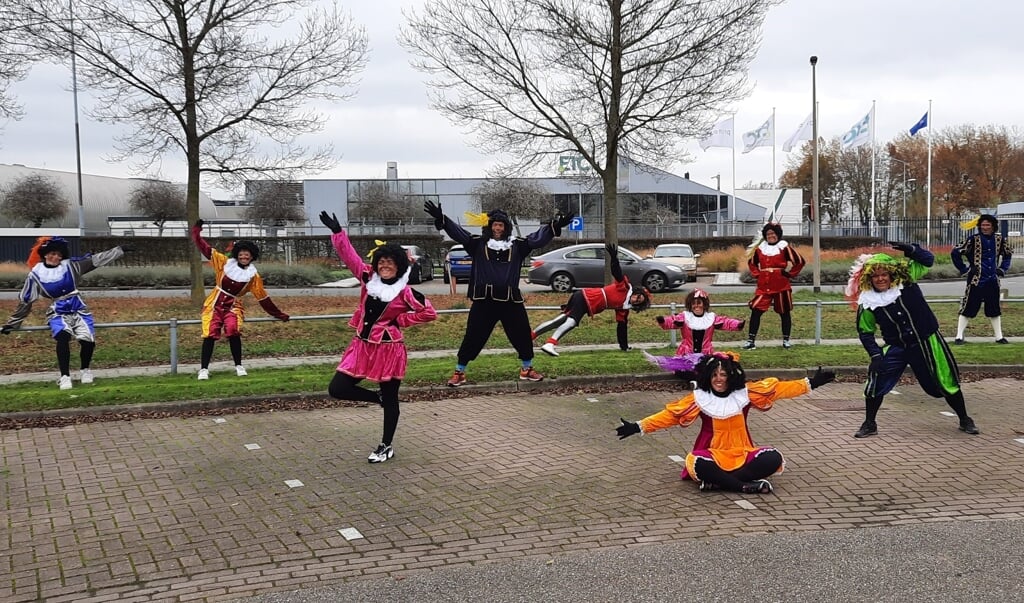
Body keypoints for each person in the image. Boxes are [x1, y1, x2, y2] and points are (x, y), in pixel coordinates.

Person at [615, 352, 835, 494]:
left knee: (773, 457)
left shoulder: (745, 394)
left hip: (743, 452)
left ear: (732, 376)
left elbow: (779, 390)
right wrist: (639, 426)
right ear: (708, 377)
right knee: (695, 462)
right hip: (712, 454)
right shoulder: (700, 398)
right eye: (715, 375)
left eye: (724, 374)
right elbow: (670, 416)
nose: (719, 379)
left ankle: (720, 483)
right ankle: (743, 486)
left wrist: (811, 383)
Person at [319, 211, 438, 463]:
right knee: (338, 388)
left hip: (388, 349)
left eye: (390, 263)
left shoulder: (406, 292)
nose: (384, 266)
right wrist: (338, 233)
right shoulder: (367, 279)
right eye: (381, 262)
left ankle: (386, 445)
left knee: (392, 396)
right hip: (361, 346)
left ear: (399, 266)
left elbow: (429, 313)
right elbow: (349, 256)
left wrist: (400, 320)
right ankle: (378, 398)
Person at [423, 199, 573, 386]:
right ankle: (459, 371)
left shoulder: (518, 245)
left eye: (501, 225)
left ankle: (527, 369)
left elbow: (537, 238)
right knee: (473, 336)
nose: (498, 228)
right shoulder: (476, 244)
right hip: (484, 301)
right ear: (489, 226)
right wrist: (442, 219)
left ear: (506, 227)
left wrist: (554, 226)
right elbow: (459, 233)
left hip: (510, 300)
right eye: (495, 225)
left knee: (522, 335)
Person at [845, 241, 980, 438]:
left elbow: (928, 260)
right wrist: (875, 355)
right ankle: (869, 423)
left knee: (945, 380)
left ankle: (964, 419)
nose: (881, 279)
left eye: (884, 274)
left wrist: (910, 250)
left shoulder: (906, 281)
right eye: (875, 276)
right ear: (869, 279)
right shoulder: (868, 302)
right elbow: (865, 332)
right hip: (897, 346)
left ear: (891, 274)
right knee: (876, 380)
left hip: (926, 340)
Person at [1, 236, 133, 390]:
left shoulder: (71, 266)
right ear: (45, 254)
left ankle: (85, 370)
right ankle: (65, 377)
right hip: (58, 311)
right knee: (62, 338)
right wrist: (12, 323)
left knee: (87, 340)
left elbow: (96, 260)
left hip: (78, 308)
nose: (56, 257)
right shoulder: (35, 276)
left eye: (59, 255)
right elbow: (26, 301)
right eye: (52, 254)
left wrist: (120, 250)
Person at [190, 219, 290, 380]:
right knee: (209, 333)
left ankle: (239, 366)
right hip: (214, 304)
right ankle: (203, 369)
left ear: (251, 257)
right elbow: (205, 249)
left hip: (233, 306)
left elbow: (263, 298)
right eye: (242, 254)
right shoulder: (223, 263)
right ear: (237, 255)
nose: (244, 256)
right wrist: (196, 232)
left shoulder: (253, 276)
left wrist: (279, 314)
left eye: (247, 255)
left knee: (233, 331)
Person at [530, 243, 651, 356]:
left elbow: (622, 327)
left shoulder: (624, 308)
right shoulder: (624, 288)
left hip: (585, 299)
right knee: (571, 322)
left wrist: (624, 347)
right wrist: (614, 258)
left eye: (638, 302)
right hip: (586, 297)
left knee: (561, 320)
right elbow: (617, 272)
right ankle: (550, 343)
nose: (636, 300)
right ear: (636, 292)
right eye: (638, 297)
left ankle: (531, 336)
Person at [740, 222, 805, 350]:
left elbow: (799, 261)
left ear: (778, 235)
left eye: (773, 234)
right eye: (768, 234)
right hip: (764, 286)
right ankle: (751, 340)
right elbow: (752, 263)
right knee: (756, 310)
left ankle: (786, 340)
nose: (771, 236)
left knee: (784, 312)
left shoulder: (784, 247)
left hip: (781, 286)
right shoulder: (760, 249)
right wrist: (758, 274)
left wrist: (789, 274)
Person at [950, 214, 1013, 345]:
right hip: (975, 280)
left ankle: (999, 337)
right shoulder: (973, 239)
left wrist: (1002, 269)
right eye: (983, 225)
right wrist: (964, 269)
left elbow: (1008, 255)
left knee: (994, 309)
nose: (985, 227)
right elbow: (955, 252)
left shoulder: (1000, 239)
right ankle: (959, 336)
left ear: (993, 226)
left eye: (987, 225)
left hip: (992, 280)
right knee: (968, 308)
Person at [656, 288, 745, 356]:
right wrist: (663, 321)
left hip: (705, 353)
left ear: (704, 304)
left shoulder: (711, 318)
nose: (696, 306)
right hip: (687, 354)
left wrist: (737, 324)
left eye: (699, 303)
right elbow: (672, 321)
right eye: (693, 303)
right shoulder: (685, 317)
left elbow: (726, 322)